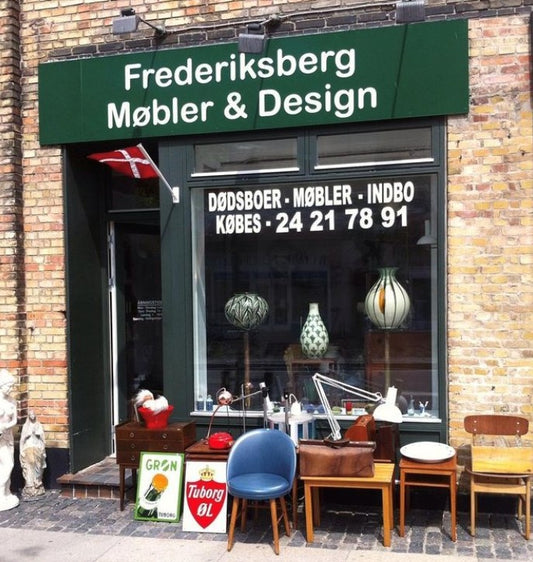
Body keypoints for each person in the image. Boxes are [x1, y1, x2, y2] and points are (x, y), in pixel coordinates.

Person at [0, 369, 19, 511]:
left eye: (11, 386)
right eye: (8, 386)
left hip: (7, 436)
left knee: (9, 463)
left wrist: (6, 426)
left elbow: (15, 421)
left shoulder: (12, 401)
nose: (10, 389)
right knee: (6, 465)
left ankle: (6, 492)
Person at [20, 410, 47, 499]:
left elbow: (43, 438)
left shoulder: (38, 425)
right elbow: (22, 439)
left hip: (37, 447)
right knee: (29, 465)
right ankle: (30, 485)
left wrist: (38, 435)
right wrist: (21, 450)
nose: (32, 416)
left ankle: (37, 483)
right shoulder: (25, 426)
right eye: (30, 415)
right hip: (28, 448)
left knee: (38, 465)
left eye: (33, 415)